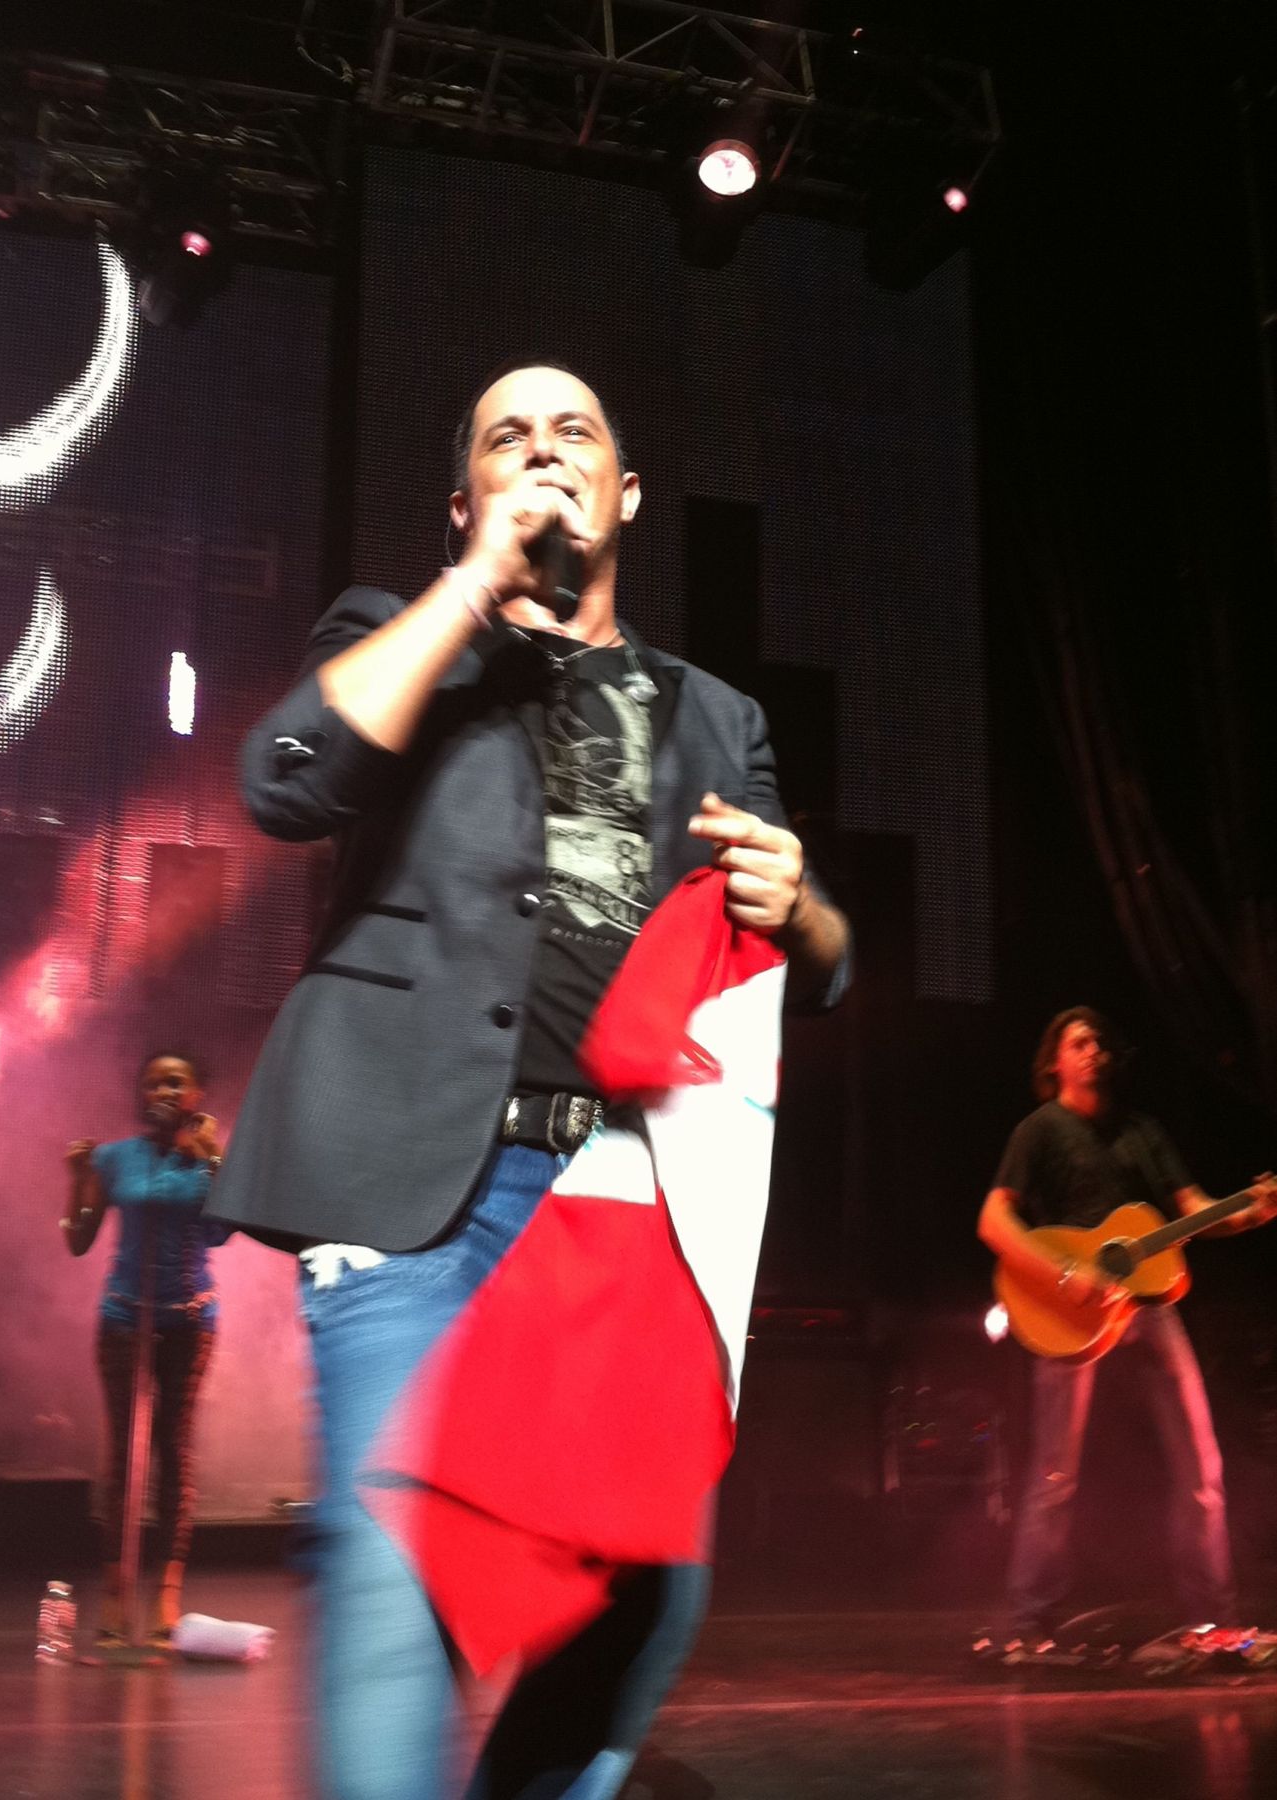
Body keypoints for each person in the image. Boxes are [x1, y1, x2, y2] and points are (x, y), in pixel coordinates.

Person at [211, 359, 850, 1800]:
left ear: (626, 495)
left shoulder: (715, 713)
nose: (545, 450)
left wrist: (805, 906)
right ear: (464, 500)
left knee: (641, 1595)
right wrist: (470, 588)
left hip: (617, 1202)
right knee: (398, 1582)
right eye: (510, 437)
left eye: (576, 434)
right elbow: (284, 778)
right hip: (414, 1186)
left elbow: (809, 959)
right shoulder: (398, 637)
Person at [978, 1006, 1277, 1649]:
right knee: (1054, 1475)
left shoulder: (1141, 1132)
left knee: (1202, 1465)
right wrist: (1065, 1275)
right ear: (1053, 1061)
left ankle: (1212, 1619)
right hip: (1071, 1313)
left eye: (1099, 1042)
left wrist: (1251, 1212)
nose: (1092, 1051)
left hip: (1148, 1307)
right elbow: (995, 1223)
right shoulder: (1039, 1131)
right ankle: (1031, 1623)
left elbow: (1193, 1210)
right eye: (1077, 1042)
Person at [63, 1051, 228, 1643]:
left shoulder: (209, 1162)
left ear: (196, 1094)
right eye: (152, 1079)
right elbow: (78, 1241)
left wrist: (209, 1157)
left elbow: (224, 1230)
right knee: (123, 1456)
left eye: (175, 1080)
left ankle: (167, 1595)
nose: (161, 1087)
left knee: (174, 1450)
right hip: (124, 1320)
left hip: (189, 1320)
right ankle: (114, 1590)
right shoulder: (113, 1158)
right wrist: (78, 1181)